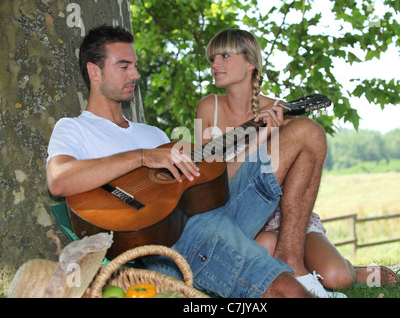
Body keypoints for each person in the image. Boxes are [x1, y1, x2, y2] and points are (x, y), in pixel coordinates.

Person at [46, 25, 313, 298]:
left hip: (215, 212)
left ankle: (291, 258)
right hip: (174, 237)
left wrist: (261, 135)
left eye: (135, 66)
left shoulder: (154, 136)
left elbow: (208, 186)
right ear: (94, 71)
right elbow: (59, 179)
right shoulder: (74, 128)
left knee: (307, 133)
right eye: (124, 66)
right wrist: (142, 156)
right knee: (285, 291)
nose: (136, 74)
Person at [195, 28, 398, 295]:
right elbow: (208, 178)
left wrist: (274, 130)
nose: (214, 65)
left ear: (250, 64)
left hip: (285, 216)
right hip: (239, 214)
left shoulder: (280, 111)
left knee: (338, 278)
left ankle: (355, 271)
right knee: (266, 247)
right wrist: (261, 137)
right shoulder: (209, 107)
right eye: (211, 59)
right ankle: (297, 263)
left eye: (223, 56)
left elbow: (296, 183)